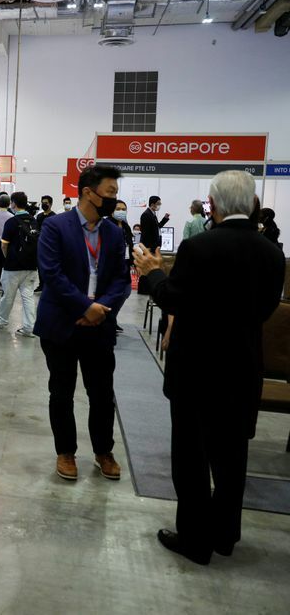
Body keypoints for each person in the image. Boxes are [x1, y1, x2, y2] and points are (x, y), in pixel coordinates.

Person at [134, 170, 285, 565]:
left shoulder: (198, 248)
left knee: (192, 459)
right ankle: (225, 535)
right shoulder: (272, 253)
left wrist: (152, 273)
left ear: (212, 205)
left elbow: (174, 299)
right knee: (233, 458)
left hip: (196, 370)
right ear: (252, 204)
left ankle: (195, 540)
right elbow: (266, 309)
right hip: (243, 369)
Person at [34, 165, 130, 482]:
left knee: (102, 393)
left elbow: (121, 279)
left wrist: (100, 309)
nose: (114, 200)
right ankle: (65, 452)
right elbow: (51, 274)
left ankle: (104, 451)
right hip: (62, 323)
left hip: (99, 325)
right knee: (61, 392)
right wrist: (85, 306)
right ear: (89, 192)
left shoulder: (113, 232)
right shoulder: (55, 226)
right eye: (110, 192)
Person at [0, 192, 38, 337]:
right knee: (28, 296)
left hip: (13, 266)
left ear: (14, 203)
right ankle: (29, 327)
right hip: (31, 265)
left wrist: (8, 258)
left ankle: (2, 320)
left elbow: (4, 245)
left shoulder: (11, 222)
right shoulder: (34, 221)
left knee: (8, 296)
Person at [108, 199, 135, 334]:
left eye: (124, 209)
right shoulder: (107, 225)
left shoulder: (125, 226)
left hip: (125, 264)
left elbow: (130, 245)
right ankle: (109, 321)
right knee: (113, 294)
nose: (121, 211)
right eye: (118, 209)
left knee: (126, 291)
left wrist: (133, 262)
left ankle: (112, 318)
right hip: (111, 266)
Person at [34, 195, 56, 292]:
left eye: (46, 203)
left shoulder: (54, 216)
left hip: (50, 245)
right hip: (40, 244)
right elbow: (36, 229)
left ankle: (49, 285)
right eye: (42, 203)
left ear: (50, 204)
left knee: (49, 266)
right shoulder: (39, 216)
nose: (44, 205)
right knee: (40, 266)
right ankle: (41, 285)